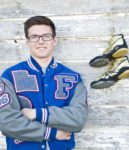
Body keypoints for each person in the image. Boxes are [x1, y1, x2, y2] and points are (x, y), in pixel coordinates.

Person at [0, 16, 88, 150]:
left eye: (46, 36)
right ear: (27, 42)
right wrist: (52, 133)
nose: (40, 41)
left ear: (54, 40)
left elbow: (78, 119)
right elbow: (7, 122)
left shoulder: (73, 78)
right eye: (34, 37)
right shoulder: (10, 76)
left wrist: (37, 113)